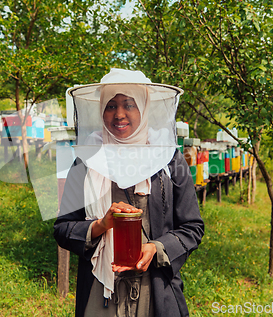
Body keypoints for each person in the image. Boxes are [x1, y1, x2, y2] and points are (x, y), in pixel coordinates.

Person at [53, 68, 204, 317]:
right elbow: (63, 228)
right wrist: (100, 225)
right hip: (99, 291)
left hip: (155, 291)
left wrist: (157, 248)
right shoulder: (87, 160)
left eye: (129, 104)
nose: (119, 114)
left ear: (144, 108)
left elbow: (192, 228)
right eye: (110, 105)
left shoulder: (168, 160)